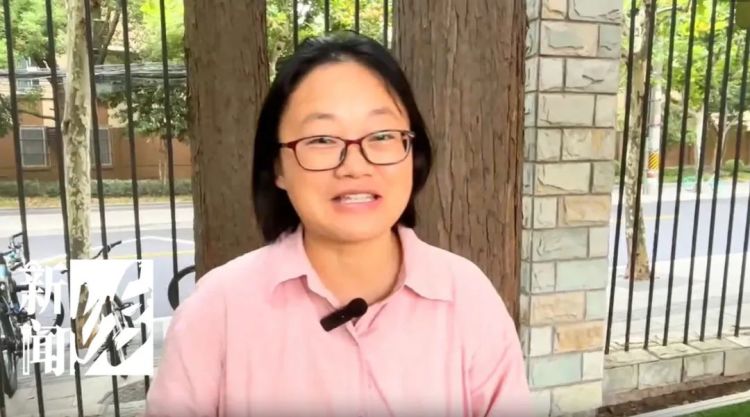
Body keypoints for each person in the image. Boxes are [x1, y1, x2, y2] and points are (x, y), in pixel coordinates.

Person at [144, 31, 531, 417]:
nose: (355, 166)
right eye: (322, 140)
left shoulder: (468, 299)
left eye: (382, 135)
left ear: (413, 152)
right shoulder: (217, 311)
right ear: (277, 166)